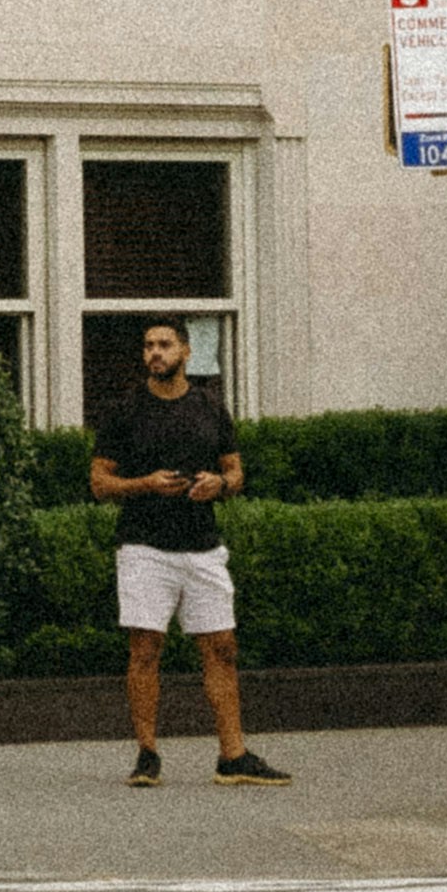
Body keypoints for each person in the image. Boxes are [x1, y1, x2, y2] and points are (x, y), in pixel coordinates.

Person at [90, 320, 286, 786]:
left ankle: (233, 756)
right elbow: (99, 483)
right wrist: (145, 484)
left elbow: (236, 472)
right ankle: (147, 754)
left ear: (186, 351)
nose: (155, 353)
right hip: (143, 548)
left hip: (202, 548)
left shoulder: (209, 408)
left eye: (164, 345)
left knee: (222, 648)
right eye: (148, 346)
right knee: (145, 649)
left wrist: (221, 485)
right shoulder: (124, 411)